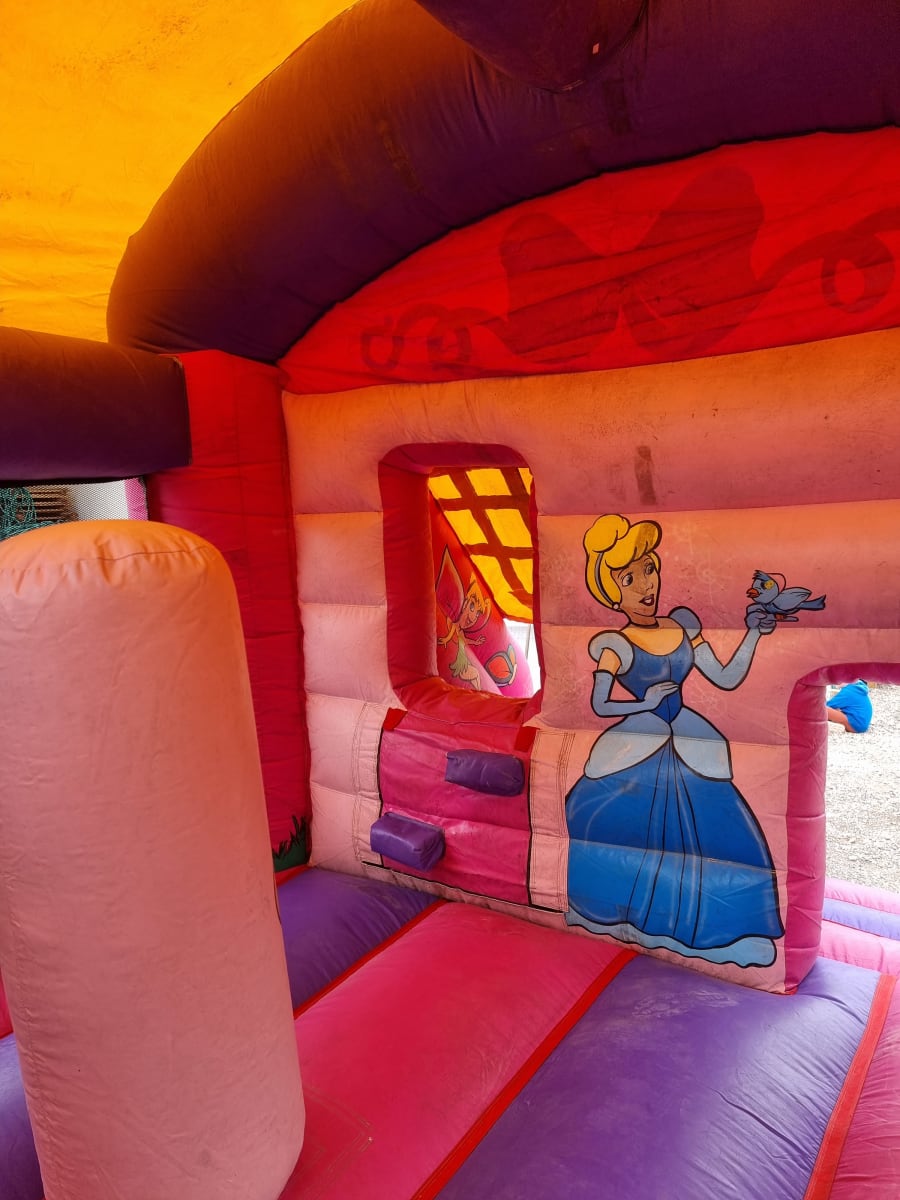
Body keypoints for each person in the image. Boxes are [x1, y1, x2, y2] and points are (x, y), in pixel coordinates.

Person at [565, 514, 784, 968]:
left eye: (649, 568)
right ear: (613, 592)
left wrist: (752, 635)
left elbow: (725, 677)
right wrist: (643, 702)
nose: (646, 583)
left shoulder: (681, 626)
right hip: (640, 741)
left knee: (717, 833)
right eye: (629, 578)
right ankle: (623, 917)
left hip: (687, 736)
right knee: (624, 828)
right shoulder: (616, 644)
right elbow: (600, 704)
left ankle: (719, 931)